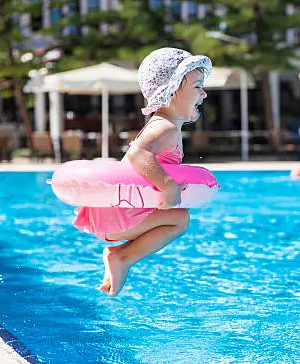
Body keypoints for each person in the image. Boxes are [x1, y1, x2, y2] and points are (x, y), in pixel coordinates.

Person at [73, 48, 212, 296]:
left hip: (115, 217)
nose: (204, 93)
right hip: (119, 217)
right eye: (197, 86)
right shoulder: (165, 128)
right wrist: (168, 185)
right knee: (180, 219)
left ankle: (120, 255)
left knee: (179, 217)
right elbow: (138, 154)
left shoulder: (164, 126)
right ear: (170, 92)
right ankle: (122, 257)